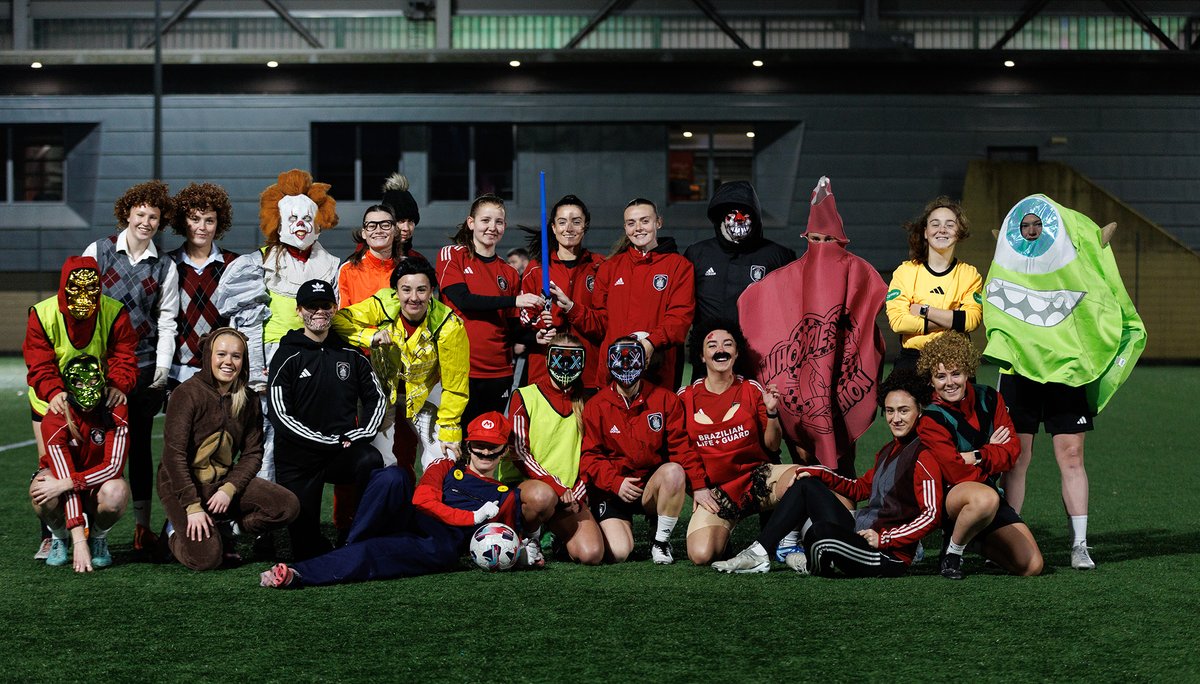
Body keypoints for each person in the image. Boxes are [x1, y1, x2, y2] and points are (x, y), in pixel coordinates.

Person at [983, 195, 1145, 571]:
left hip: (1067, 367)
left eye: (1038, 225)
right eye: (1026, 227)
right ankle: (1008, 542)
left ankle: (1079, 545)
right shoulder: (1011, 262)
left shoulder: (1073, 260)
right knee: (1016, 459)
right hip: (1019, 369)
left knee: (1072, 456)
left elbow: (1094, 291)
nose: (1032, 231)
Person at [714, 369, 942, 577]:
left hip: (887, 554)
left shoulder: (924, 455)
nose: (896, 418)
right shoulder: (888, 450)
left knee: (819, 533)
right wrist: (816, 473)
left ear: (919, 411)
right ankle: (759, 553)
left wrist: (885, 538)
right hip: (860, 532)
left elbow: (931, 514)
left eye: (904, 411)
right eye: (890, 411)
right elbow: (860, 488)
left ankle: (814, 563)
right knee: (806, 486)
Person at [259, 412, 524, 588]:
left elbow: (506, 540)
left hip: (436, 544)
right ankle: (351, 543)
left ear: (504, 451)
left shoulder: (505, 495)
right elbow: (422, 499)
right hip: (412, 516)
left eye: (493, 446)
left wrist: (523, 556)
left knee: (370, 552)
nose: (485, 452)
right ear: (468, 446)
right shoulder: (444, 464)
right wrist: (472, 517)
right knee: (394, 476)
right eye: (479, 445)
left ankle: (296, 574)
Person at [737, 177, 886, 481]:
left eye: (827, 241)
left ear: (841, 242)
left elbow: (868, 310)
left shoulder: (856, 270)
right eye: (814, 240)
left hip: (841, 378)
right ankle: (806, 509)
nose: (820, 249)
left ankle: (843, 503)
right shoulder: (792, 275)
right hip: (799, 377)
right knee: (802, 448)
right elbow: (765, 306)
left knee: (842, 443)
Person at [214, 169, 340, 481]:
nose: (300, 224)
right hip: (272, 365)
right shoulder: (256, 264)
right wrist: (255, 369)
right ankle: (260, 515)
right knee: (263, 440)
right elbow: (247, 324)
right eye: (292, 217)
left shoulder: (335, 267)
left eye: (306, 217)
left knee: (309, 441)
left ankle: (296, 514)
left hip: (316, 366)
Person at [84, 180, 180, 550]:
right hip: (100, 368)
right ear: (127, 213)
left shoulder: (165, 265)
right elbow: (83, 306)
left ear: (160, 221)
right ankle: (88, 524)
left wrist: (161, 369)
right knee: (96, 444)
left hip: (142, 368)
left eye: (153, 216)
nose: (146, 222)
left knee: (139, 447)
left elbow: (168, 320)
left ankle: (142, 528)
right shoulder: (99, 250)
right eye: (140, 214)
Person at [23, 256, 138, 558]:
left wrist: (117, 385)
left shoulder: (113, 312)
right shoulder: (43, 313)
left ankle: (96, 533)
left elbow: (124, 354)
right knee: (49, 476)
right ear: (63, 289)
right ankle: (55, 535)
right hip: (53, 405)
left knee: (105, 480)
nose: (84, 298)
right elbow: (38, 361)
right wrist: (54, 392)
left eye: (92, 290)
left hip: (101, 404)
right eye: (77, 290)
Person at [157, 328, 299, 570]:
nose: (228, 362)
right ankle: (171, 533)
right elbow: (174, 456)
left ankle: (226, 528)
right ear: (209, 356)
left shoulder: (249, 399)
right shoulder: (187, 393)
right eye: (221, 354)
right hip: (183, 485)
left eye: (236, 356)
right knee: (206, 559)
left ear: (243, 361)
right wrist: (192, 507)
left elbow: (253, 453)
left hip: (222, 483)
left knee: (286, 506)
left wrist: (229, 489)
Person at [268, 279, 385, 560]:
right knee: (306, 552)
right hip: (300, 458)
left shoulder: (350, 352)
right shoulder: (286, 354)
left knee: (370, 459)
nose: (319, 312)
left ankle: (358, 532)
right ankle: (307, 540)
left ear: (334, 309)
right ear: (299, 311)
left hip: (340, 452)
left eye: (325, 305)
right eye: (312, 306)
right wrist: (326, 440)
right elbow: (279, 414)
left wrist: (357, 435)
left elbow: (377, 398)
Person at [915, 332, 1042, 579]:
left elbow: (1012, 452)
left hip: (986, 492)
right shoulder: (930, 417)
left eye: (955, 374)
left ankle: (974, 540)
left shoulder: (990, 397)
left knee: (1031, 566)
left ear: (968, 372)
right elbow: (955, 471)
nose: (949, 383)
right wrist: (989, 452)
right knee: (985, 498)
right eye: (940, 376)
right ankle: (952, 551)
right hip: (951, 497)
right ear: (931, 380)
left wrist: (974, 456)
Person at [581, 337, 710, 564]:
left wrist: (699, 485)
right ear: (609, 363)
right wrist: (614, 482)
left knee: (674, 471)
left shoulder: (665, 399)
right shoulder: (596, 405)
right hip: (614, 490)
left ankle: (660, 540)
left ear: (644, 362)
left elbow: (682, 448)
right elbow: (589, 457)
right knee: (619, 552)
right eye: (619, 362)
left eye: (632, 360)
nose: (626, 368)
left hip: (650, 487)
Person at [333, 258, 470, 472]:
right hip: (383, 389)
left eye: (421, 290)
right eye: (406, 290)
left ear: (432, 291)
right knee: (378, 459)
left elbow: (456, 385)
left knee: (446, 454)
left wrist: (450, 430)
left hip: (425, 390)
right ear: (395, 291)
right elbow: (340, 320)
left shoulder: (449, 325)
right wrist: (371, 336)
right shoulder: (384, 303)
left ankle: (430, 503)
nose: (413, 298)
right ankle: (388, 500)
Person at [678, 322, 792, 566]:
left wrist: (772, 414)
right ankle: (725, 530)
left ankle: (790, 542)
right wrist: (698, 486)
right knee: (701, 555)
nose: (721, 350)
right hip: (718, 493)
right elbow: (681, 451)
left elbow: (772, 447)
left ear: (737, 353)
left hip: (757, 479)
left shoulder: (751, 389)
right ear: (701, 355)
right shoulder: (685, 398)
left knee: (802, 478)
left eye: (728, 344)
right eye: (712, 345)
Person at [553, 198, 694, 390]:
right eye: (631, 223)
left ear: (658, 223)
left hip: (656, 374)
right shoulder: (610, 267)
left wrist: (650, 343)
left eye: (645, 221)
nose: (638, 228)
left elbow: (679, 318)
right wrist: (571, 307)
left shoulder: (679, 266)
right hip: (612, 375)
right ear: (625, 228)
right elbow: (601, 324)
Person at [437, 194, 544, 426]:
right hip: (460, 371)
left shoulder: (508, 272)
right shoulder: (452, 255)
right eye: (485, 220)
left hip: (499, 372)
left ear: (504, 226)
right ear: (471, 222)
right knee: (457, 445)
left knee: (490, 445)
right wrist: (514, 301)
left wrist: (538, 336)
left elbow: (513, 328)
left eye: (498, 222)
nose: (492, 227)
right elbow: (463, 300)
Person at [502, 332, 606, 566]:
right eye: (560, 358)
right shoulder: (525, 396)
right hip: (532, 492)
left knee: (592, 554)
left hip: (568, 495)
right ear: (548, 360)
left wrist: (578, 490)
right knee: (542, 496)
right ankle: (530, 538)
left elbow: (594, 454)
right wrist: (556, 487)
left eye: (573, 360)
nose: (566, 365)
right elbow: (519, 453)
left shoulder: (588, 400)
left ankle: (558, 538)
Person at [684, 180, 795, 382]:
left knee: (755, 412)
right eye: (731, 213)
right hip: (708, 363)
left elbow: (792, 310)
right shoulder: (697, 254)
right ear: (719, 217)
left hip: (760, 363)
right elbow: (682, 306)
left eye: (744, 212)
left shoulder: (778, 256)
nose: (738, 219)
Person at [30, 355, 131, 572]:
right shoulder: (55, 416)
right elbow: (62, 474)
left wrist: (68, 483)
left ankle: (98, 537)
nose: (86, 388)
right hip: (63, 478)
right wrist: (78, 540)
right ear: (67, 385)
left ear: (102, 380)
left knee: (117, 492)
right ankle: (59, 536)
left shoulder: (116, 409)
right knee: (41, 488)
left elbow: (113, 467)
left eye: (92, 381)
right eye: (78, 382)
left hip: (98, 482)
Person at [886, 196, 983, 372]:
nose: (942, 230)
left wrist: (924, 310)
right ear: (925, 232)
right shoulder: (906, 272)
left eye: (950, 225)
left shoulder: (970, 275)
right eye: (935, 224)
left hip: (955, 359)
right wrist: (953, 319)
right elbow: (898, 322)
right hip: (913, 358)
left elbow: (971, 321)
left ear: (959, 231)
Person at [519, 194, 606, 391]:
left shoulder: (601, 267)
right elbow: (522, 322)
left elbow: (605, 324)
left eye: (576, 222)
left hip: (588, 376)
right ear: (553, 227)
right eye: (562, 222)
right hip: (544, 375)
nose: (568, 228)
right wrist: (539, 324)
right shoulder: (536, 269)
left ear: (585, 226)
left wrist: (572, 308)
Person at [167, 182, 239, 387]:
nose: (202, 227)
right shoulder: (168, 264)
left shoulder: (233, 264)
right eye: (195, 219)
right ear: (183, 222)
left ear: (218, 224)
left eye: (209, 221)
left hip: (221, 371)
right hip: (176, 372)